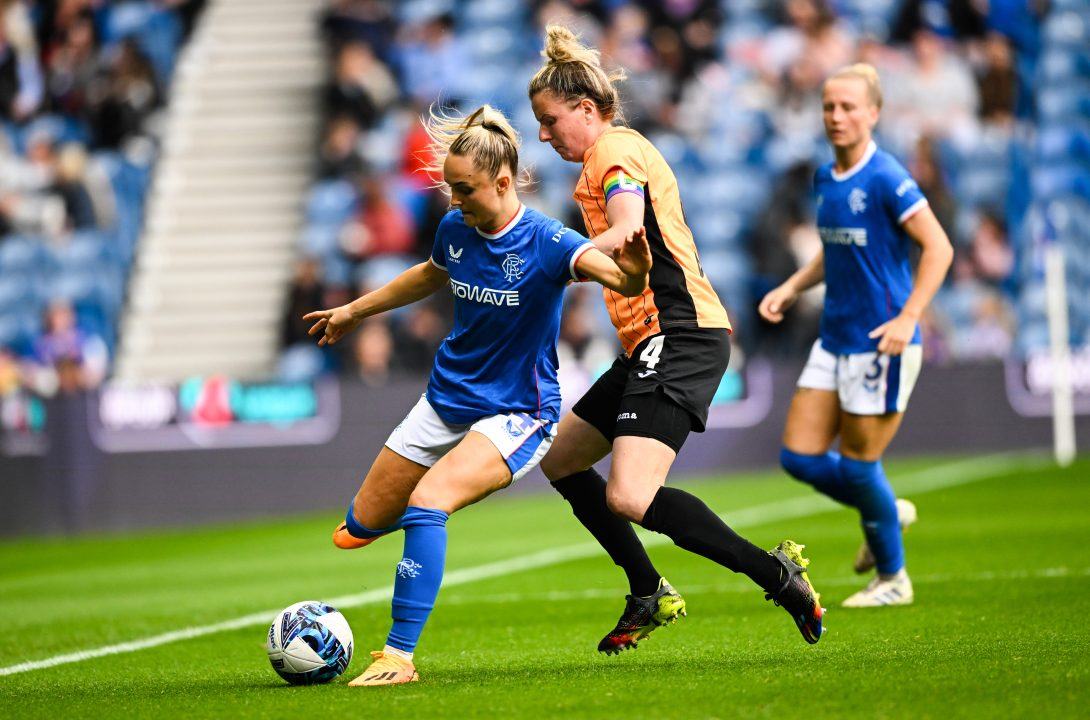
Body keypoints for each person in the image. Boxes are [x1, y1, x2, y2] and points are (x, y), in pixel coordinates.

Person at [303, 104, 653, 686]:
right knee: (355, 529)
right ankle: (428, 523)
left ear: (501, 181)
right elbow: (429, 273)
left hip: (520, 410)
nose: (453, 200)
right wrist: (354, 311)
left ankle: (398, 656)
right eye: (449, 189)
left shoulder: (546, 240)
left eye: (464, 190)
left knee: (428, 502)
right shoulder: (455, 226)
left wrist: (637, 270)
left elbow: (622, 278)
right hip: (447, 398)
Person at [528, 24, 825, 653]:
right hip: (649, 340)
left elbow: (629, 222)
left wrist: (555, 261)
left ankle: (776, 574)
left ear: (587, 109)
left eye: (550, 121)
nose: (543, 135)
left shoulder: (613, 155)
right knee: (561, 459)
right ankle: (648, 590)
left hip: (680, 333)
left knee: (630, 495)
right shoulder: (599, 158)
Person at [758, 64, 954, 607]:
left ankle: (893, 579)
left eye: (848, 107)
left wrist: (910, 316)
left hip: (880, 340)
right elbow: (835, 245)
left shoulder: (887, 177)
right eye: (829, 106)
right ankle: (887, 509)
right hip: (835, 336)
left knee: (861, 465)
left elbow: (938, 248)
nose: (837, 116)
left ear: (873, 113)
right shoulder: (826, 178)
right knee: (799, 457)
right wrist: (794, 286)